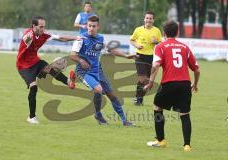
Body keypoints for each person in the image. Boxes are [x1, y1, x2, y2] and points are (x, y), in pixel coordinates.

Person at [144, 20, 200, 151]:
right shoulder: (185, 47)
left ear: (164, 33)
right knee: (185, 114)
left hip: (169, 83)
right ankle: (187, 145)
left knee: (157, 107)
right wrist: (195, 84)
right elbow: (197, 69)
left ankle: (160, 140)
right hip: (185, 84)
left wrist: (151, 82)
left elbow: (156, 65)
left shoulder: (160, 46)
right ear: (177, 32)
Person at [70, 15, 135, 126]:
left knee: (112, 95)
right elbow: (72, 56)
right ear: (86, 26)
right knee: (98, 89)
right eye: (89, 26)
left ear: (98, 26)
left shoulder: (101, 38)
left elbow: (111, 49)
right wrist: (81, 61)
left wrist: (126, 55)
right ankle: (98, 114)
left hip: (97, 71)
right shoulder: (81, 38)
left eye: (93, 26)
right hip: (83, 72)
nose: (91, 28)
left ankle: (124, 120)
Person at [17, 16, 81, 124]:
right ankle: (31, 117)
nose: (43, 29)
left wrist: (75, 38)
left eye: (44, 27)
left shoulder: (44, 35)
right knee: (34, 87)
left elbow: (61, 38)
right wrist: (28, 38)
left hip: (36, 62)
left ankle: (69, 82)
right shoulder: (29, 35)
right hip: (24, 66)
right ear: (34, 26)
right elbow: (26, 39)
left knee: (51, 69)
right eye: (41, 27)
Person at [130, 11, 162, 106]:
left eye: (150, 18)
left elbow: (161, 44)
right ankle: (138, 99)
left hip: (151, 57)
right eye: (147, 18)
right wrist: (137, 45)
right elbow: (131, 40)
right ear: (144, 19)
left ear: (153, 20)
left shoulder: (157, 31)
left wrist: (156, 42)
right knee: (142, 79)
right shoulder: (138, 30)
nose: (148, 20)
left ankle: (139, 99)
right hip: (140, 56)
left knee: (147, 80)